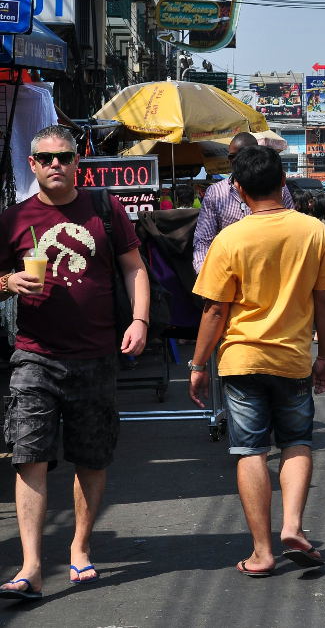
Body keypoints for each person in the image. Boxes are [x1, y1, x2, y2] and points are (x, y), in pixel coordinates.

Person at [0, 125, 150, 600]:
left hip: (96, 354)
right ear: (32, 165)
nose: (55, 165)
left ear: (77, 161)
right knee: (28, 457)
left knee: (92, 457)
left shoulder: (105, 209)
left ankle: (80, 548)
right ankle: (30, 566)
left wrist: (140, 320)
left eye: (64, 157)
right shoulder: (14, 219)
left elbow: (134, 267)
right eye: (46, 159)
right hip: (34, 354)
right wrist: (7, 283)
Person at [189, 145, 325, 577]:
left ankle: (262, 551)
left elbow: (215, 311)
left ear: (237, 188)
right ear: (283, 183)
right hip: (293, 359)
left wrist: (198, 366)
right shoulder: (313, 232)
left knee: (250, 451)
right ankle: (292, 526)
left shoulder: (229, 239)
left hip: (241, 360)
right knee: (296, 443)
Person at [192, 132, 294, 273]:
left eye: (245, 156)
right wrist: (204, 274)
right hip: (232, 274)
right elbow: (203, 241)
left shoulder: (277, 189)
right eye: (232, 157)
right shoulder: (216, 193)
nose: (238, 162)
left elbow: (291, 229)